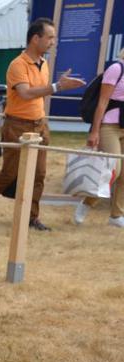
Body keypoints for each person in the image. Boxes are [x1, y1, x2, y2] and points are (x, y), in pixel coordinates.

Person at [0, 18, 86, 231]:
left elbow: (38, 94)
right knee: (9, 173)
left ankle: (31, 218)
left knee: (39, 175)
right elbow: (25, 93)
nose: (53, 42)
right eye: (50, 37)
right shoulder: (17, 64)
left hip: (40, 125)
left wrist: (53, 92)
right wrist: (57, 86)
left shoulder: (44, 64)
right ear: (36, 38)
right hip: (17, 125)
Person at [74, 49, 124, 228]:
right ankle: (87, 202)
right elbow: (102, 102)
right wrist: (94, 131)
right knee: (113, 170)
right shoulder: (116, 69)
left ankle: (116, 215)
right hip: (109, 126)